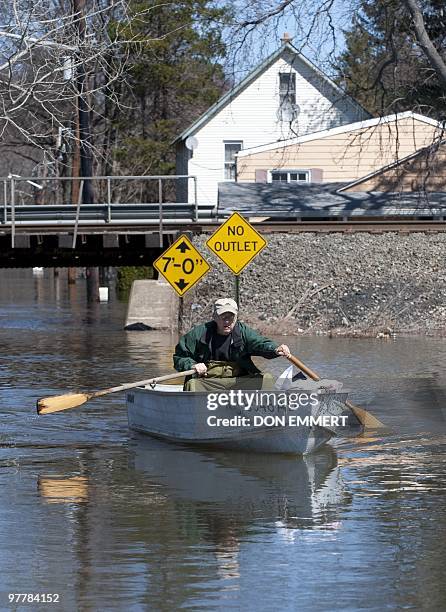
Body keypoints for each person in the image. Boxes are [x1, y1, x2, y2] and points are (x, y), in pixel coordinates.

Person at [173, 297, 291, 392]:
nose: (227, 322)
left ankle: (264, 415)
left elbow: (260, 344)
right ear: (214, 317)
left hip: (237, 382)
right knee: (191, 385)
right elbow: (180, 358)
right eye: (223, 317)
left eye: (231, 317)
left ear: (236, 317)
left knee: (266, 379)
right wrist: (192, 365)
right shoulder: (198, 334)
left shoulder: (243, 332)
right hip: (207, 382)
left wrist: (275, 349)